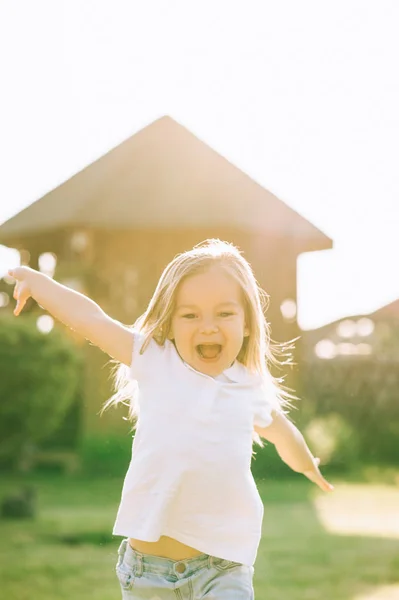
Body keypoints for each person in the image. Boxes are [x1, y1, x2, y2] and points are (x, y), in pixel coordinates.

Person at [9, 238, 333, 599]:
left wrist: (309, 466)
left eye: (224, 313)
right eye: (190, 315)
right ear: (170, 323)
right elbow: (90, 318)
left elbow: (284, 434)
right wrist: (37, 284)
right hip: (148, 574)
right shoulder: (153, 360)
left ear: (246, 324)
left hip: (222, 569)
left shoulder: (248, 388)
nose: (208, 326)